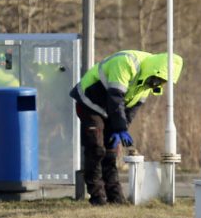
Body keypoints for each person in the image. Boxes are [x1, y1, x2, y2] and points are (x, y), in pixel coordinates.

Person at [70, 51, 183, 206]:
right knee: (96, 149)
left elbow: (131, 109)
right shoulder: (126, 63)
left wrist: (122, 129)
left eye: (164, 82)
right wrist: (120, 127)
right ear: (155, 71)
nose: (159, 84)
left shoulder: (148, 82)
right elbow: (115, 97)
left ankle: (115, 198)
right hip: (90, 102)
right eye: (160, 80)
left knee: (110, 152)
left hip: (110, 109)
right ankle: (97, 198)